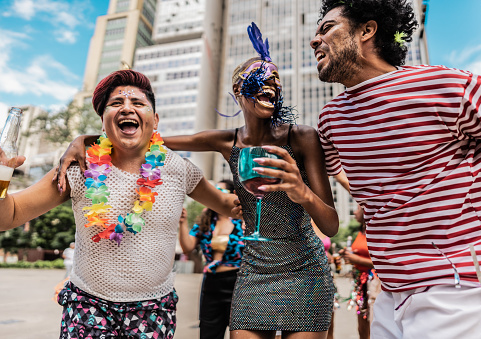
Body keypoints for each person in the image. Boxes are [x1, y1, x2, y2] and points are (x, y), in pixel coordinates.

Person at [54, 22, 339, 339]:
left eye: (275, 79)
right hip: (255, 271)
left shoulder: (301, 137)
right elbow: (145, 137)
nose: (270, 83)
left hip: (304, 269)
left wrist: (302, 193)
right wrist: (85, 139)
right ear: (238, 92)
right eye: (259, 78)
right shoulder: (225, 141)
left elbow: (331, 225)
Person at [312, 1, 481, 338]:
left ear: (366, 30)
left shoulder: (447, 85)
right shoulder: (331, 120)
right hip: (392, 289)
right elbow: (338, 173)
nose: (315, 39)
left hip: (459, 280)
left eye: (327, 28)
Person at [0, 69, 241, 339]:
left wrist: (267, 190)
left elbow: (227, 205)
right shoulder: (78, 167)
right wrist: (1, 179)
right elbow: (9, 216)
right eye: (116, 104)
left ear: (155, 119)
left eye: (138, 103)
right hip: (88, 305)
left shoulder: (179, 169)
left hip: (154, 310)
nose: (127, 108)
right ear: (103, 122)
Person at [178, 179, 244, 339]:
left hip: (237, 282)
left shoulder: (243, 220)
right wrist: (183, 222)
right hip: (211, 283)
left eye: (220, 191)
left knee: (240, 332)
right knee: (209, 332)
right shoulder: (206, 220)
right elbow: (188, 248)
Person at [339, 206, 380, 339]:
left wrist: (356, 259)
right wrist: (347, 256)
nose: (354, 212)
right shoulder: (360, 232)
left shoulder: (374, 230)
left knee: (374, 324)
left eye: (357, 209)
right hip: (360, 282)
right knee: (362, 325)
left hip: (374, 283)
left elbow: (382, 262)